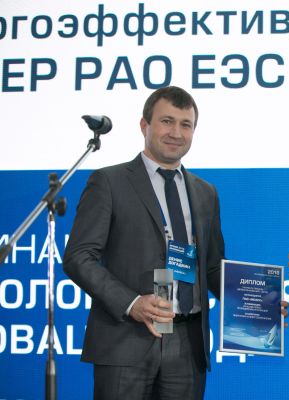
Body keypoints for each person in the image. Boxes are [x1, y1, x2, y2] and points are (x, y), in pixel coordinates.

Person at [63, 86, 224, 399]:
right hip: (125, 340)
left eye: (186, 124)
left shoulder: (206, 192)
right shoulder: (109, 181)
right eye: (167, 121)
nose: (176, 132)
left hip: (187, 345)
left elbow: (212, 267)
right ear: (144, 125)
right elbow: (78, 257)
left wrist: (257, 302)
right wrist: (132, 303)